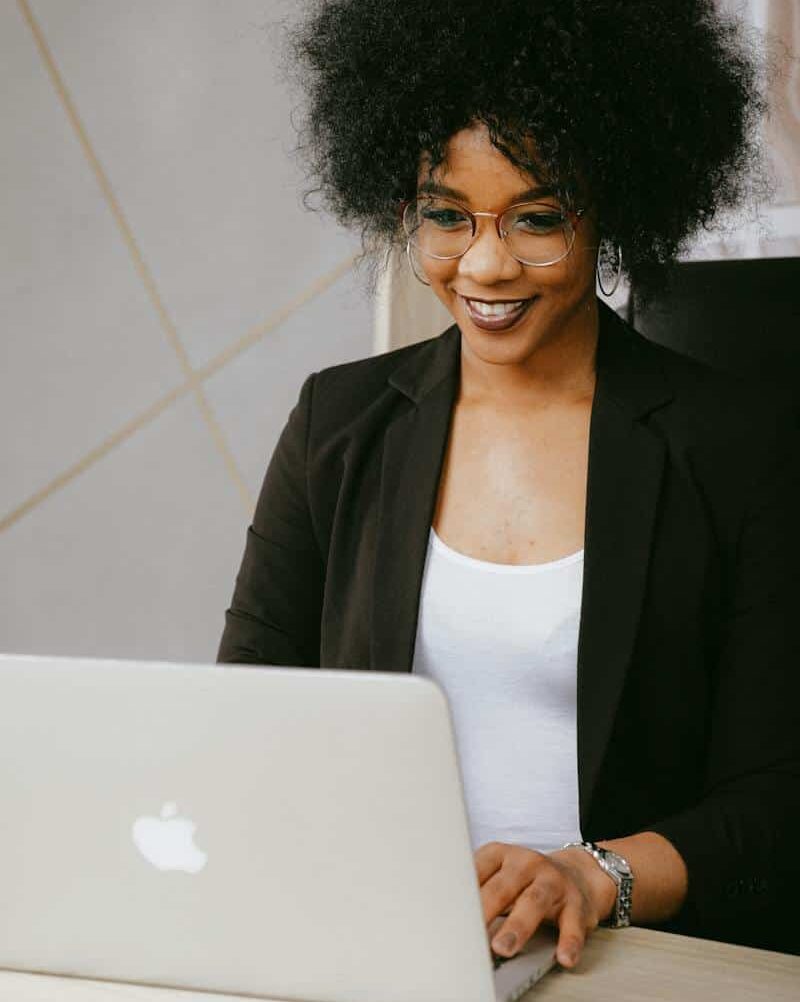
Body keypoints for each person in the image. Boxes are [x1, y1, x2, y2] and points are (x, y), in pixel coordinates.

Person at [218, 0, 800, 964]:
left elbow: (779, 793)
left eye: (538, 218)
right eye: (447, 215)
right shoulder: (339, 423)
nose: (485, 263)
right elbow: (249, 713)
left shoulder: (735, 445)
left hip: (626, 957)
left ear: (612, 203)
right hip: (381, 945)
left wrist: (589, 875)